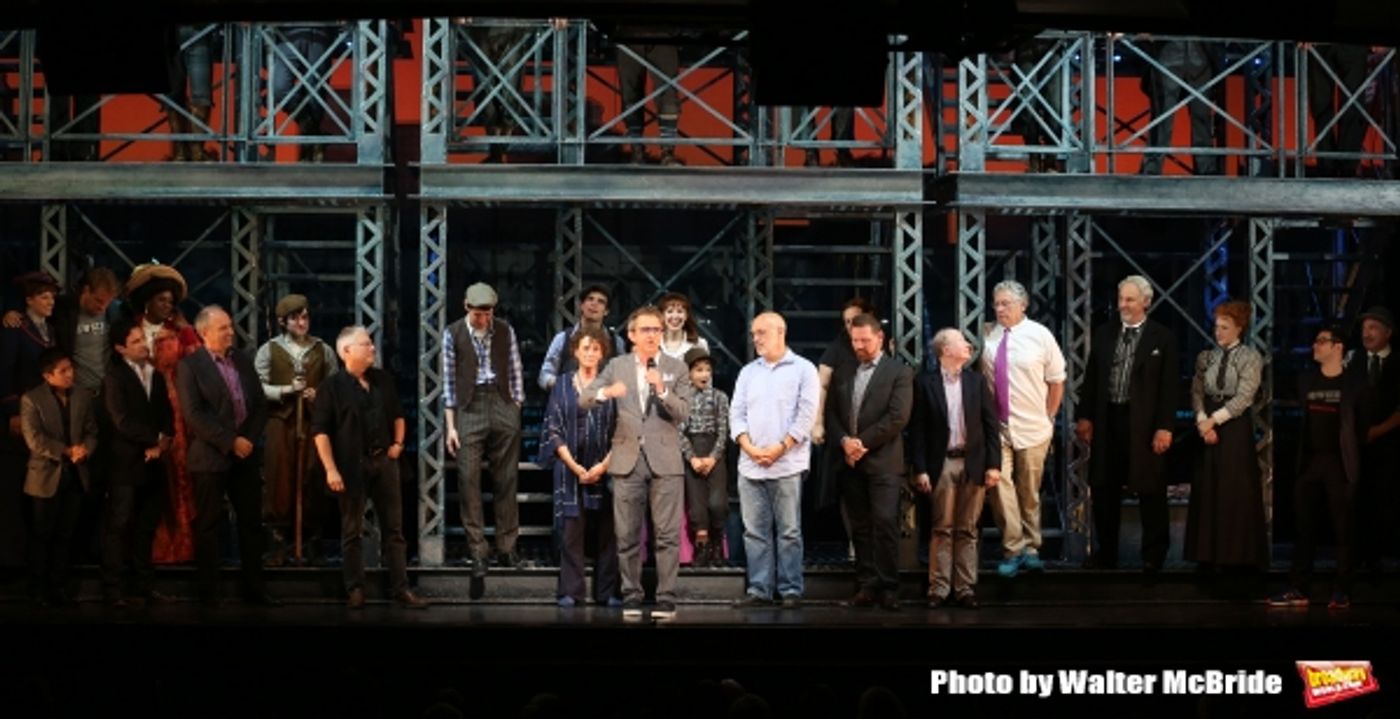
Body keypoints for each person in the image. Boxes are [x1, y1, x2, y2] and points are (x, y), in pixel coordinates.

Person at [579, 305, 691, 619]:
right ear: (632, 335)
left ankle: (666, 597)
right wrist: (604, 393)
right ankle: (631, 594)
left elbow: (683, 412)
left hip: (665, 460)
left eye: (656, 330)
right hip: (627, 458)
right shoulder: (617, 366)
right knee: (626, 533)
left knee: (667, 535)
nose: (653, 335)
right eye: (646, 330)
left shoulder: (676, 367)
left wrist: (662, 389)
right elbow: (584, 398)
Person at [312, 326, 427, 609]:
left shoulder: (382, 380)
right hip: (351, 464)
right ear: (347, 351)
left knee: (394, 529)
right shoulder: (331, 388)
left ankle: (400, 588)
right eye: (366, 344)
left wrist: (398, 445)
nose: (373, 348)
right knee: (352, 530)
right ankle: (355, 588)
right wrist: (330, 469)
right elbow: (321, 432)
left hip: (384, 461)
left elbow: (397, 414)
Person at [1074, 275, 1179, 573]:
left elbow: (1170, 387)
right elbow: (1091, 378)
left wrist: (1165, 426)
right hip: (1110, 419)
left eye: (1130, 299)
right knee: (1104, 487)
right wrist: (1085, 416)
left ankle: (1154, 555)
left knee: (1150, 488)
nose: (1123, 305)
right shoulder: (1105, 333)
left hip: (1145, 423)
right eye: (1121, 299)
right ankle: (1107, 553)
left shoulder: (1163, 337)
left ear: (1146, 301)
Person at [177, 305, 273, 607]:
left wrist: (247, 439)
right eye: (223, 328)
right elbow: (194, 415)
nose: (231, 332)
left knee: (251, 524)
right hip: (211, 456)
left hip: (245, 455)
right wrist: (231, 441)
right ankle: (209, 593)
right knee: (209, 525)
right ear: (205, 333)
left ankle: (255, 590)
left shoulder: (242, 360)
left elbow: (258, 404)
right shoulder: (190, 366)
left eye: (230, 326)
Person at [1268, 324, 1367, 610]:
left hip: (1339, 462)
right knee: (1304, 527)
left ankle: (1342, 589)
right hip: (1310, 461)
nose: (1315, 346)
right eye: (1316, 341)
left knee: (1342, 528)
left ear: (1338, 348)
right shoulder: (1307, 380)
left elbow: (1359, 428)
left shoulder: (1355, 385)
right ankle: (1299, 588)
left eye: (1322, 341)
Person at [730, 312, 819, 609]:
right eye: (754, 333)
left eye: (761, 333)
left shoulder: (804, 370)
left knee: (789, 531)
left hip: (787, 463)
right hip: (750, 463)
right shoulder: (748, 372)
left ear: (781, 332)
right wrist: (750, 448)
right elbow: (737, 414)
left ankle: (791, 589)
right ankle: (759, 589)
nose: (756, 338)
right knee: (754, 531)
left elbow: (806, 416)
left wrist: (781, 447)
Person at [825, 314, 913, 610]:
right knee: (859, 527)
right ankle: (866, 585)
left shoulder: (898, 372)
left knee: (885, 524)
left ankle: (889, 587)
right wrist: (844, 442)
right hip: (851, 462)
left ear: (880, 339)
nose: (859, 346)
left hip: (883, 462)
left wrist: (862, 442)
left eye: (865, 340)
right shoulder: (844, 370)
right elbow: (832, 414)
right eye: (854, 341)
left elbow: (897, 417)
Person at [443, 282, 524, 599]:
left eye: (487, 313)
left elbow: (515, 369)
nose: (483, 319)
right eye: (478, 313)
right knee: (468, 478)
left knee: (506, 478)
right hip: (469, 405)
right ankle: (478, 550)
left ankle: (507, 546)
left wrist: (515, 405)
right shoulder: (453, 333)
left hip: (501, 401)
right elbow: (449, 382)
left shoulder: (504, 330)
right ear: (466, 307)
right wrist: (451, 425)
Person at [911, 329, 1001, 609]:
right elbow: (918, 431)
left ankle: (964, 587)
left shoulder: (976, 382)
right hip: (943, 463)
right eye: (962, 341)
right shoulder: (925, 383)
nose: (968, 345)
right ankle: (938, 588)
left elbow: (990, 426)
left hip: (973, 462)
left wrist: (993, 465)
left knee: (968, 528)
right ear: (945, 349)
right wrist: (921, 468)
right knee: (942, 528)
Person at [982, 280, 1066, 578]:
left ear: (1023, 305)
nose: (1000, 308)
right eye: (996, 303)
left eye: (1006, 303)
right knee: (1000, 487)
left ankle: (1032, 547)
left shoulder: (1040, 336)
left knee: (1028, 491)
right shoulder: (989, 334)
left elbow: (1057, 380)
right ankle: (1014, 548)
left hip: (1033, 427)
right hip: (999, 427)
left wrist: (1049, 416)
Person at [126, 262, 201, 565]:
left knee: (178, 476)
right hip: (140, 407)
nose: (166, 305)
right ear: (147, 299)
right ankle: (144, 551)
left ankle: (180, 548)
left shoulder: (181, 332)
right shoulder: (131, 329)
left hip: (175, 409)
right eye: (161, 299)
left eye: (170, 301)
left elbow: (198, 368)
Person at [539, 327, 620, 607]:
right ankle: (571, 591)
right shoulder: (562, 384)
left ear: (603, 353)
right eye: (585, 348)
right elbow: (553, 427)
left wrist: (603, 465)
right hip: (570, 469)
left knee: (608, 532)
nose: (590, 353)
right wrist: (574, 466)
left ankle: (607, 591)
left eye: (595, 349)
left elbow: (623, 429)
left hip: (606, 466)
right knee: (571, 531)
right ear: (575, 351)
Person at [1184, 301, 1267, 575]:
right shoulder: (1206, 357)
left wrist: (1214, 420)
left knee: (1234, 490)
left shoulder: (1249, 357)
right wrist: (1201, 421)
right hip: (1207, 423)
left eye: (1224, 327)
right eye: (1216, 326)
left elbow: (1245, 396)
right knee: (1208, 488)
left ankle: (1235, 557)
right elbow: (1196, 390)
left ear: (1239, 328)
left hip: (1232, 426)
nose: (1218, 332)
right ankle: (1206, 555)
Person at [255, 294, 337, 565]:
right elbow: (258, 387)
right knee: (280, 477)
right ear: (283, 321)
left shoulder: (322, 350)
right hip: (281, 421)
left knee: (312, 475)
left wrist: (319, 395)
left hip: (312, 422)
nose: (302, 323)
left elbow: (335, 385)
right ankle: (279, 541)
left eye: (305, 317)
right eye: (295, 318)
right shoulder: (270, 350)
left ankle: (312, 541)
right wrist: (286, 390)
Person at [100, 319, 175, 608]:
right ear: (120, 348)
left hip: (154, 463)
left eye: (143, 340)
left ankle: (144, 586)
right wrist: (152, 440)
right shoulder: (115, 377)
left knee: (147, 527)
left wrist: (164, 440)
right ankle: (113, 589)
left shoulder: (155, 375)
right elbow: (121, 421)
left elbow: (167, 412)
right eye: (135, 342)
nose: (144, 345)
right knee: (118, 526)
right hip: (126, 464)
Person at [20, 348, 97, 606]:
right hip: (45, 476)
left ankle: (58, 587)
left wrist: (85, 449)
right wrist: (65, 450)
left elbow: (91, 431)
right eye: (62, 371)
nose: (69, 374)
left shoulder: (82, 396)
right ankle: (36, 589)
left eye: (70, 369)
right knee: (42, 535)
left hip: (75, 473)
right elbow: (34, 439)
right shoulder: (31, 399)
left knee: (65, 535)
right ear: (47, 375)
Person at [0, 271, 61, 568]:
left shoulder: (50, 330)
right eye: (44, 297)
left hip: (45, 415)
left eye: (52, 296)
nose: (50, 302)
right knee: (15, 488)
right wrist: (11, 410)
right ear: (29, 300)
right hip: (22, 414)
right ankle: (14, 559)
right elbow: (6, 370)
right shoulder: (16, 328)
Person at [1348, 306, 1400, 570]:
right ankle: (1358, 554)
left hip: (1389, 444)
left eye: (1373, 328)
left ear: (1388, 333)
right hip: (1355, 445)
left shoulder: (1397, 364)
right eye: (1364, 328)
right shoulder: (1354, 361)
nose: (1366, 334)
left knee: (1384, 497)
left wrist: (1379, 430)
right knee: (1357, 499)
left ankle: (1379, 555)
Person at [679, 347, 729, 567]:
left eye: (707, 370)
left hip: (713, 453)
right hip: (692, 452)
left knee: (717, 503)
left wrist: (713, 457)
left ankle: (717, 539)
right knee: (697, 506)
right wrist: (692, 458)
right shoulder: (683, 398)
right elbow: (679, 431)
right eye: (699, 370)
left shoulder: (719, 397)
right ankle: (702, 546)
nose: (704, 375)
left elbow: (724, 430)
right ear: (689, 373)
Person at [538, 284, 625, 391]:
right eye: (590, 299)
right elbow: (545, 375)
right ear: (581, 305)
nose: (594, 304)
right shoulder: (562, 338)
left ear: (606, 311)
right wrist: (565, 385)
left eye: (601, 302)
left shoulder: (616, 342)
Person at [659, 292, 708, 362]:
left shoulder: (699, 344)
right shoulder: (652, 343)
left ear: (686, 316)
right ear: (662, 316)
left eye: (680, 311)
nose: (675, 316)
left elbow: (704, 371)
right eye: (670, 312)